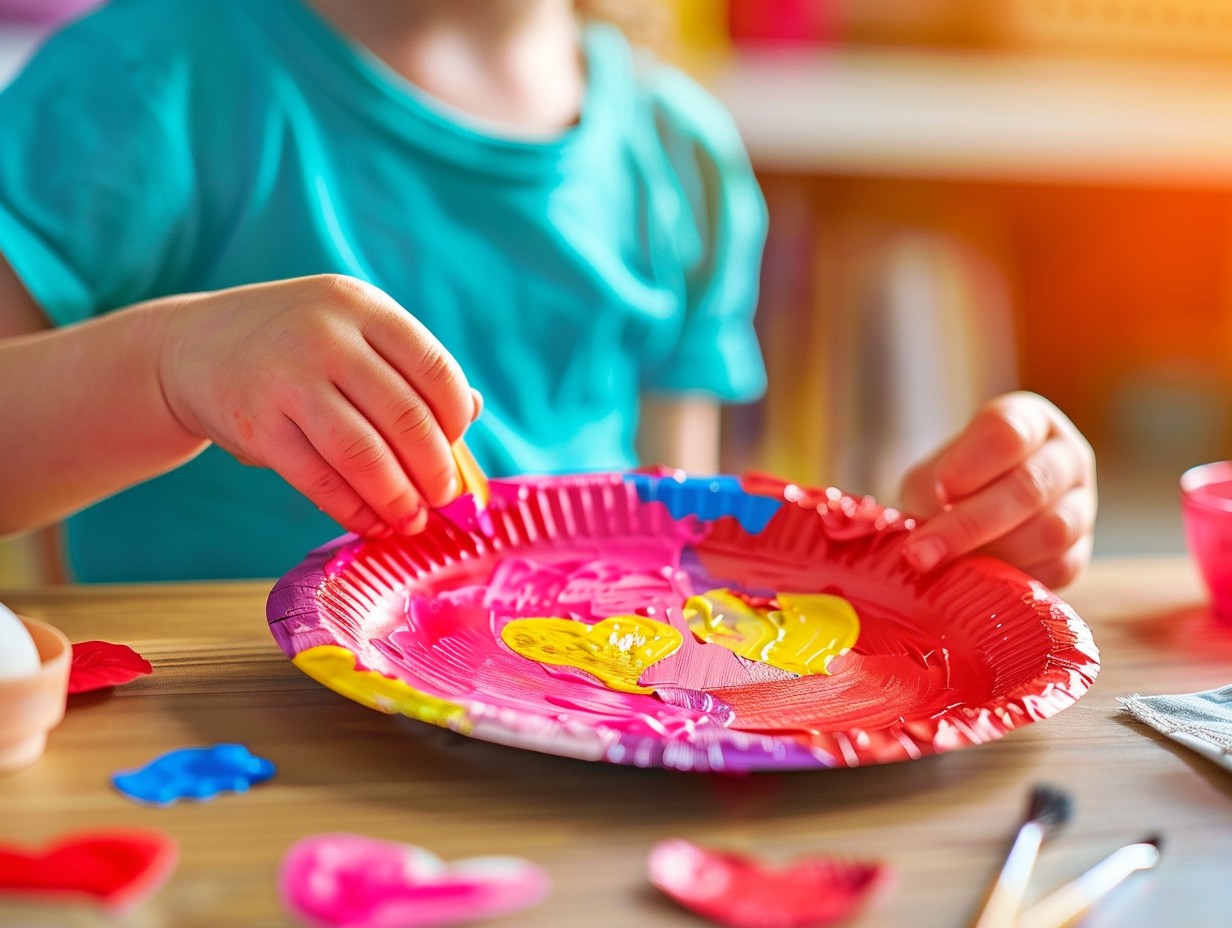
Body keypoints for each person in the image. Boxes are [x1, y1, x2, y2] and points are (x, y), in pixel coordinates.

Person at [0, 0, 1096, 588]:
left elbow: (673, 550)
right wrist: (171, 368)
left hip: (552, 779)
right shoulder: (139, 85)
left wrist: (936, 555)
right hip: (218, 767)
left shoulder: (679, 160)